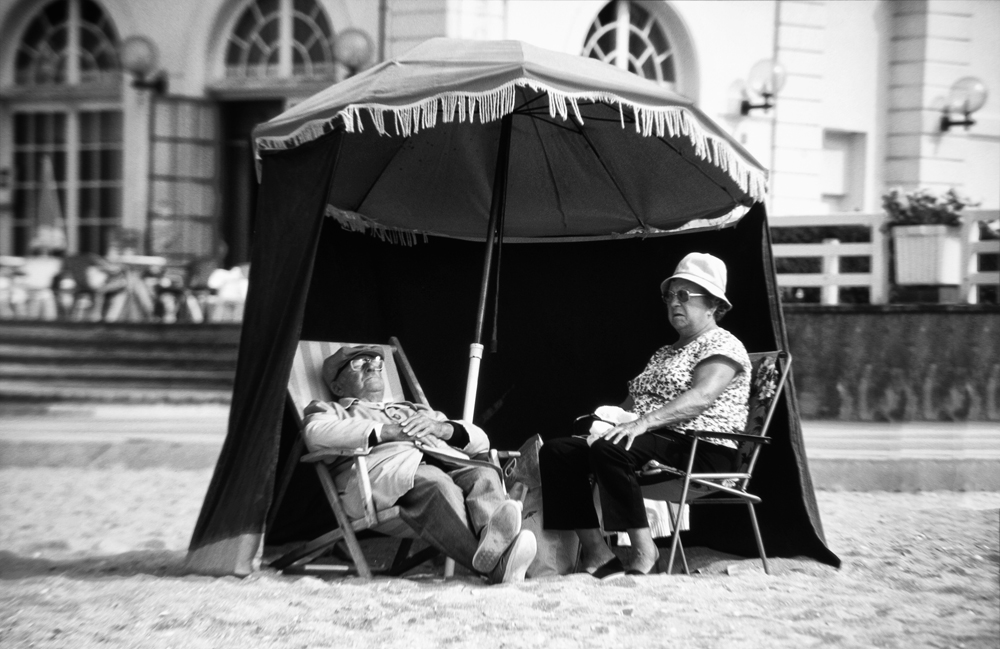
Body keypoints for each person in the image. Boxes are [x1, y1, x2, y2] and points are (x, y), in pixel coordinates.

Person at [538, 252, 751, 577]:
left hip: (703, 450)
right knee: (558, 452)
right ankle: (598, 553)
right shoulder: (664, 353)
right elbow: (632, 405)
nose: (674, 303)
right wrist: (605, 423)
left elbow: (701, 397)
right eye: (670, 296)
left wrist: (643, 423)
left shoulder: (723, 344)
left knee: (611, 448)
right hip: (651, 443)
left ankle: (644, 550)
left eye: (685, 296)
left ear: (712, 305)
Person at [302, 345, 536, 583]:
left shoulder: (413, 409)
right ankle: (497, 568)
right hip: (390, 477)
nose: (372, 366)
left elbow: (480, 441)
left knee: (483, 473)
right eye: (359, 364)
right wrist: (386, 431)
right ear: (337, 387)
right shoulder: (333, 410)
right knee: (438, 484)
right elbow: (315, 433)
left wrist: (442, 428)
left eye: (376, 363)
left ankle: (494, 543)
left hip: (447, 463)